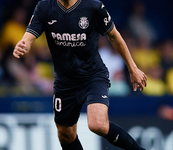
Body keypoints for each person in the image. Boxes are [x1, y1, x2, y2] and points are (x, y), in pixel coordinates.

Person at [13, 0, 147, 149]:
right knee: (65, 134)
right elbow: (30, 35)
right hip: (65, 82)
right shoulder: (45, 6)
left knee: (98, 125)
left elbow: (114, 36)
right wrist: (23, 44)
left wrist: (133, 68)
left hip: (92, 76)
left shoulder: (93, 6)